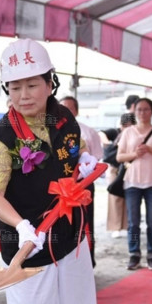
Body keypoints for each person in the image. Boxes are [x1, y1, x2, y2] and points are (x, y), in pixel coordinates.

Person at [0, 38, 99, 304]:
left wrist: (84, 160)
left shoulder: (62, 117)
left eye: (32, 85)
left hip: (70, 239)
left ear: (50, 83)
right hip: (27, 247)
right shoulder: (2, 137)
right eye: (14, 87)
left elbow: (77, 147)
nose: (23, 95)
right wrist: (21, 226)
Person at [116, 97, 152, 271]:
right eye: (139, 109)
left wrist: (151, 150)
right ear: (134, 111)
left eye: (146, 109)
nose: (142, 113)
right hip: (132, 181)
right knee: (133, 222)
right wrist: (134, 153)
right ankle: (134, 255)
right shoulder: (128, 132)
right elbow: (119, 156)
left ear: (151, 111)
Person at [60, 95, 103, 268]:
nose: (66, 111)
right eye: (62, 107)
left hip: (84, 184)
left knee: (86, 222)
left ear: (76, 110)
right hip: (63, 186)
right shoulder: (56, 130)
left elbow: (97, 157)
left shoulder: (87, 132)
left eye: (69, 108)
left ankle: (88, 261)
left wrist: (85, 163)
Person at [106, 114, 133, 239]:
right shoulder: (116, 134)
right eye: (125, 125)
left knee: (129, 197)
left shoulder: (135, 135)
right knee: (115, 197)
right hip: (115, 168)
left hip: (129, 169)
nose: (127, 127)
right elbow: (101, 134)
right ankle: (115, 227)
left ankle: (127, 226)